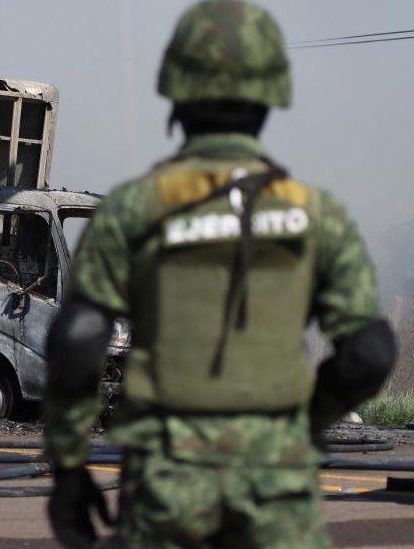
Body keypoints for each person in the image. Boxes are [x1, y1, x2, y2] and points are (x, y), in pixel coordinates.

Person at [43, 1, 397, 546]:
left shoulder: (135, 209)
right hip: (279, 488)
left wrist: (69, 466)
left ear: (176, 90)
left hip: (167, 481)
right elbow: (370, 352)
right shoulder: (315, 214)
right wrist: (305, 425)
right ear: (271, 93)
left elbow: (78, 338)